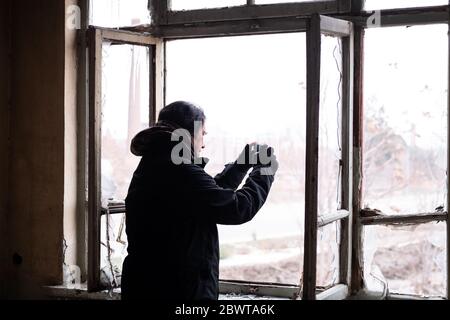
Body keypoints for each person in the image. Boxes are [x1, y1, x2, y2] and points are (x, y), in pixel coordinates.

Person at [121, 101, 278, 300]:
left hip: (152, 288)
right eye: (203, 134)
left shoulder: (159, 163)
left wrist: (240, 165)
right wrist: (265, 170)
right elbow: (237, 208)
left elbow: (205, 197)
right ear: (189, 132)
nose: (203, 143)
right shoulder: (176, 169)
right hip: (176, 292)